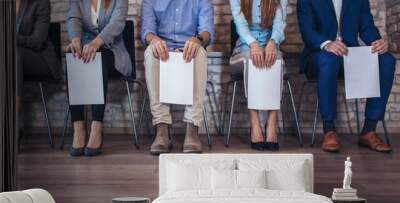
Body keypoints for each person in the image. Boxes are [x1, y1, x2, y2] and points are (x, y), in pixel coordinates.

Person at [297, 0, 396, 153]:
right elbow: (307, 31)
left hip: (349, 55)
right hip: (318, 56)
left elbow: (367, 27)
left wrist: (376, 42)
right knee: (329, 59)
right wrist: (327, 44)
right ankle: (329, 130)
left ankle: (369, 130)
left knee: (387, 60)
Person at [141, 0, 214, 155]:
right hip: (163, 50)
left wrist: (198, 40)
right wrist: (153, 40)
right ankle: (162, 128)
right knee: (150, 53)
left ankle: (192, 128)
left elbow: (207, 31)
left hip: (189, 49)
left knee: (200, 53)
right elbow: (147, 30)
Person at [67, 0, 131, 157]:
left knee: (98, 59)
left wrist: (96, 42)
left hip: (112, 51)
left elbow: (117, 23)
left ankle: (96, 126)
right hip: (86, 47)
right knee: (72, 57)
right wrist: (75, 39)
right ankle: (79, 127)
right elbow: (74, 18)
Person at [230, 0, 288, 151]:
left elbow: (279, 23)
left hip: (270, 48)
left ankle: (272, 123)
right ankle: (255, 125)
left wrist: (273, 42)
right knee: (252, 60)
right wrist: (253, 44)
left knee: (277, 62)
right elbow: (240, 23)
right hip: (244, 49)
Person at [16, 0, 62, 110]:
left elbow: (38, 41)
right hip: (17, 60)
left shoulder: (41, 2)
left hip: (41, 58)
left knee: (14, 53)